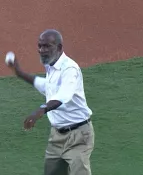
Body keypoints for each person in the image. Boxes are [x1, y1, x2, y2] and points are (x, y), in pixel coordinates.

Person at [6, 29, 95, 175]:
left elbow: (63, 96)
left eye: (47, 46)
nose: (42, 50)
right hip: (57, 136)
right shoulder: (51, 65)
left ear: (59, 48)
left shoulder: (69, 68)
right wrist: (19, 73)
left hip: (78, 135)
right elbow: (48, 87)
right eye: (40, 46)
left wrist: (40, 110)